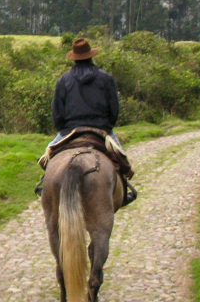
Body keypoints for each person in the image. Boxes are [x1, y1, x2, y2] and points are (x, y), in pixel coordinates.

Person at [37, 37, 134, 206]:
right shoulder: (106, 78)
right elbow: (114, 109)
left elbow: (57, 113)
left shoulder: (63, 80)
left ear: (74, 58)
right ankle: (125, 190)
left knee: (46, 159)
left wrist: (63, 129)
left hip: (69, 131)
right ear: (91, 55)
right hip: (101, 129)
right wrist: (107, 126)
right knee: (121, 159)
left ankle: (44, 186)